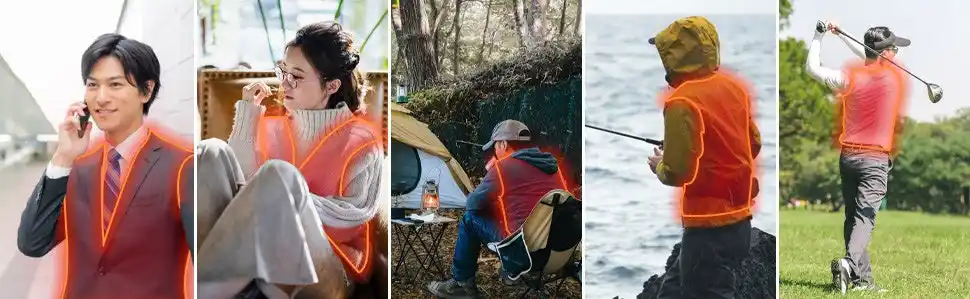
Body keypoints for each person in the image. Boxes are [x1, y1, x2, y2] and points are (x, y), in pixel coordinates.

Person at [196, 21, 387, 299]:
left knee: (279, 176)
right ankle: (211, 283)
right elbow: (237, 184)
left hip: (332, 268)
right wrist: (248, 115)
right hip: (259, 255)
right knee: (209, 152)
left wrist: (286, 198)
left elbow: (357, 211)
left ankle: (203, 289)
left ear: (331, 85)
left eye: (296, 76)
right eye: (283, 71)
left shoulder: (360, 140)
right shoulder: (272, 125)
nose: (283, 83)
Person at [17, 33, 194, 298]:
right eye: (92, 85)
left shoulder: (182, 166)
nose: (101, 98)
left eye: (115, 85)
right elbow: (32, 243)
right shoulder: (76, 168)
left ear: (146, 90)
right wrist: (63, 158)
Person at [645, 16, 762, 299]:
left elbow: (678, 172)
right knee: (670, 293)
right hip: (740, 223)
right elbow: (753, 144)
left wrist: (659, 164)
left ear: (675, 57)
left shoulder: (682, 101)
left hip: (707, 228)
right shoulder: (735, 89)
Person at [807, 20, 910, 294]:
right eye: (894, 51)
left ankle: (861, 281)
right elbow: (868, 55)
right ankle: (849, 263)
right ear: (886, 54)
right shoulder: (892, 76)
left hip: (849, 158)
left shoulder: (850, 78)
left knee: (853, 217)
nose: (897, 55)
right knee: (865, 218)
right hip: (874, 160)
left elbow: (813, 69)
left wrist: (821, 36)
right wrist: (842, 36)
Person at [427, 120, 570, 298]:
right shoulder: (553, 167)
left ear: (503, 143)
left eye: (495, 146)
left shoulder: (503, 167)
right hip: (558, 252)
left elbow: (472, 204)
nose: (494, 150)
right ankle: (516, 274)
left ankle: (462, 283)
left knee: (470, 219)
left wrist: (491, 174)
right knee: (508, 217)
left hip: (522, 253)